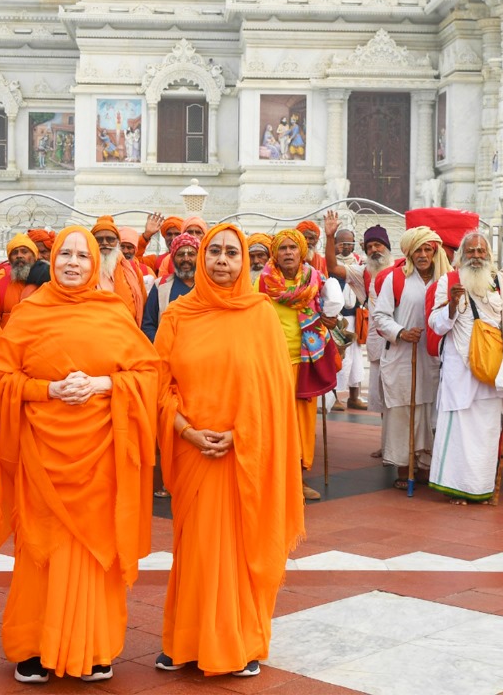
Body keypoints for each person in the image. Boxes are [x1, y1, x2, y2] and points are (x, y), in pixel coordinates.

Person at [0, 226, 158, 684]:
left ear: (95, 264)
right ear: (53, 257)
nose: (72, 263)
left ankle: (95, 647)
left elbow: (147, 374)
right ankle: (34, 647)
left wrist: (103, 384)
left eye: (82, 256)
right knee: (39, 548)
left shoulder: (114, 313)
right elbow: (0, 380)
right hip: (41, 452)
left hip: (101, 451)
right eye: (64, 253)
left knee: (95, 549)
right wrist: (49, 389)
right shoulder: (27, 314)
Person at [152, 222, 304, 678]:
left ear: (245, 262)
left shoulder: (260, 315)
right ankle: (186, 640)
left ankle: (239, 642)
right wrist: (185, 430)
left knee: (240, 550)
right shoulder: (178, 314)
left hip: (244, 453)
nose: (221, 260)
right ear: (201, 259)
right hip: (192, 451)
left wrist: (240, 433)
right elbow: (158, 385)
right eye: (214, 251)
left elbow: (276, 394)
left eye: (231, 253)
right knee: (195, 550)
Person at [427, 231, 503, 503]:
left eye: (480, 251)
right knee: (459, 433)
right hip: (459, 372)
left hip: (491, 371)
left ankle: (480, 489)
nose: (475, 256)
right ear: (462, 254)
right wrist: (451, 304)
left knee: (486, 433)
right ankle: (456, 489)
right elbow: (436, 324)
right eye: (470, 251)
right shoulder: (447, 282)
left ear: (489, 255)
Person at [258, 229, 343, 501]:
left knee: (303, 425)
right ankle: (274, 480)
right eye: (282, 248)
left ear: (301, 252)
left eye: (292, 248)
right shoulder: (262, 283)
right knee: (275, 423)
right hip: (273, 364)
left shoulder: (316, 280)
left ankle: (298, 480)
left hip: (308, 361)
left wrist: (329, 320)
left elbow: (329, 315)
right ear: (275, 254)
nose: (287, 253)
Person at [373, 226, 452, 488]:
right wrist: (401, 332)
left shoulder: (446, 281)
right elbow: (380, 316)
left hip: (432, 359)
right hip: (401, 357)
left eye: (427, 249)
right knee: (401, 412)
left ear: (435, 252)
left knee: (428, 412)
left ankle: (425, 466)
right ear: (409, 252)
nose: (422, 254)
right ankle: (403, 467)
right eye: (418, 249)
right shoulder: (396, 279)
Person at [324, 216, 393, 446]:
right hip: (377, 340)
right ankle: (386, 445)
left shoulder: (399, 271)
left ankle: (395, 448)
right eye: (370, 246)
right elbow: (332, 267)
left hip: (401, 340)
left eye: (378, 245)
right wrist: (330, 236)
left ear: (387, 247)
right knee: (382, 395)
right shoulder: (362, 272)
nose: (374, 250)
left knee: (399, 396)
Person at [328, 227, 365, 411]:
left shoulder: (359, 261)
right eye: (342, 243)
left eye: (349, 244)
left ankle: (353, 397)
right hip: (337, 318)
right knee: (338, 358)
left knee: (355, 359)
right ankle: (334, 397)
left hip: (355, 317)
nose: (346, 247)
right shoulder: (330, 262)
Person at [141, 232, 198, 342]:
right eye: (180, 254)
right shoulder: (160, 285)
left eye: (191, 254)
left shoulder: (207, 286)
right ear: (172, 258)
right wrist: (162, 345)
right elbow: (148, 325)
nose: (186, 259)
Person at [90, 216, 146, 325]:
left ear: (117, 242)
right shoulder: (84, 270)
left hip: (127, 332)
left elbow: (143, 301)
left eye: (110, 239)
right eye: (99, 239)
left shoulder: (132, 269)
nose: (105, 243)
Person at [0, 234, 37, 327]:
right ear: (10, 260)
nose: (19, 256)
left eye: (24, 252)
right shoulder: (2, 284)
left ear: (34, 257)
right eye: (15, 253)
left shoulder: (45, 283)